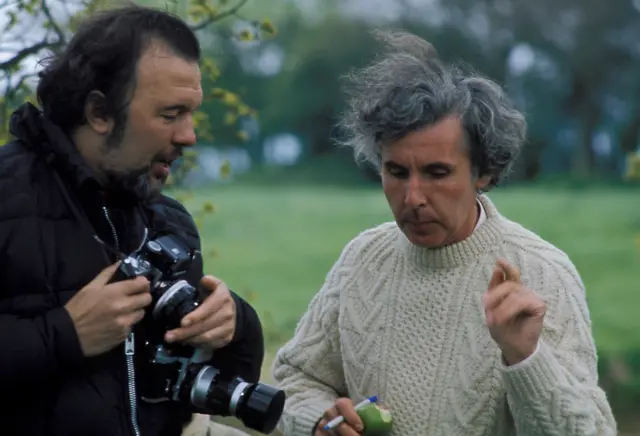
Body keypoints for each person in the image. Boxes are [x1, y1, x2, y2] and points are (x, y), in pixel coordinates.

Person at [271, 30, 617, 436]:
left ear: (484, 172)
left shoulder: (543, 275)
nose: (413, 196)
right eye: (396, 172)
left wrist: (526, 358)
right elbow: (295, 380)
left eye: (437, 173)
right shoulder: (362, 258)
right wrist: (318, 421)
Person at [0, 5, 265, 436]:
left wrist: (234, 327)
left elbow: (192, 388)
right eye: (170, 114)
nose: (189, 135)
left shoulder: (169, 222)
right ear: (99, 112)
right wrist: (62, 336)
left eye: (191, 112)